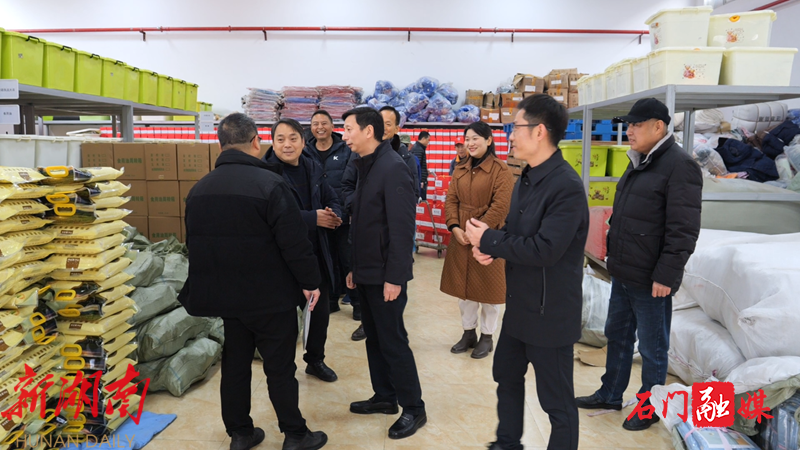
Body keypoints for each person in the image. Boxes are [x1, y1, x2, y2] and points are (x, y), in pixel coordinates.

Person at [179, 113, 327, 450]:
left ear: (220, 144)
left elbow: (195, 245)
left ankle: (240, 433)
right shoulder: (271, 185)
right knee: (279, 367)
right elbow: (294, 243)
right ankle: (295, 434)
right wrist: (310, 282)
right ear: (257, 143)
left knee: (235, 364)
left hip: (227, 299)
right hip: (270, 297)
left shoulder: (199, 189)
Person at [466, 95, 588, 450]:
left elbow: (545, 249)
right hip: (521, 304)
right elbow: (519, 233)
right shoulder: (528, 177)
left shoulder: (566, 186)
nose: (510, 135)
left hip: (550, 313)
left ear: (539, 132)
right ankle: (507, 443)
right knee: (506, 374)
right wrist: (492, 247)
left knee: (556, 402)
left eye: (516, 127)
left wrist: (490, 239)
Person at [575, 98, 703, 431]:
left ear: (658, 127)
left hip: (652, 278)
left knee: (652, 346)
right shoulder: (639, 160)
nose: (629, 131)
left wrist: (666, 275)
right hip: (624, 271)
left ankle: (650, 406)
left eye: (636, 125)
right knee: (616, 335)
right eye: (628, 125)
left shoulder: (680, 166)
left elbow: (683, 230)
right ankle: (610, 394)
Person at [341, 107, 426, 440]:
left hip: (385, 275)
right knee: (375, 339)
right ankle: (385, 396)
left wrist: (395, 277)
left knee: (393, 341)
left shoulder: (393, 167)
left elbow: (402, 229)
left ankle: (414, 407)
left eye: (349, 129)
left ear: (368, 131)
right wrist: (354, 268)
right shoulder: (365, 165)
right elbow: (362, 224)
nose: (344, 135)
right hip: (367, 271)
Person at [265, 118, 342, 383]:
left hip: (315, 253)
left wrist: (334, 214)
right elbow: (268, 216)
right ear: (272, 142)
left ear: (302, 140)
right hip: (282, 259)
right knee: (284, 318)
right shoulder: (266, 173)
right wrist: (312, 218)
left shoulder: (312, 166)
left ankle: (315, 360)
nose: (287, 145)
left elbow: (332, 196)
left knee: (319, 315)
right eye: (280, 139)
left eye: (293, 138)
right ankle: (283, 367)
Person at [440, 122, 514, 359]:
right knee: (464, 291)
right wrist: (454, 227)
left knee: (490, 291)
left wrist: (477, 231)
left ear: (489, 140)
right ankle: (468, 333)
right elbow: (451, 200)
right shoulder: (460, 168)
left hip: (490, 237)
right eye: (467, 139)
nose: (470, 143)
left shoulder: (501, 170)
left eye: (475, 139)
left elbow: (501, 207)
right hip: (461, 236)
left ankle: (487, 337)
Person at [305, 110, 359, 317]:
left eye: (324, 123)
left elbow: (352, 181)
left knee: (348, 260)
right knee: (325, 260)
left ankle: (357, 305)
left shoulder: (345, 148)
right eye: (315, 123)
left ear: (332, 126)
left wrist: (347, 209)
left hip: (343, 216)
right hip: (318, 217)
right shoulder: (306, 150)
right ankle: (330, 301)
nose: (320, 127)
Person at [379, 106, 420, 199]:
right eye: (380, 123)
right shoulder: (364, 152)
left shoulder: (406, 157)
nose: (383, 127)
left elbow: (413, 191)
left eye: (388, 124)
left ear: (396, 129)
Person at [410, 131, 430, 199]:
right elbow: (416, 166)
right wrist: (421, 181)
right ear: (423, 139)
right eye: (428, 140)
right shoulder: (418, 149)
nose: (428, 142)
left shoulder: (418, 148)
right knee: (421, 201)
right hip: (420, 182)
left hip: (420, 180)